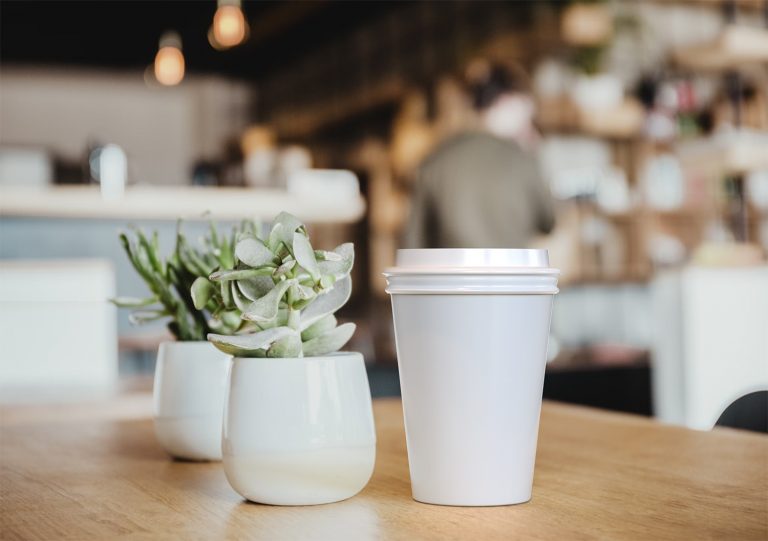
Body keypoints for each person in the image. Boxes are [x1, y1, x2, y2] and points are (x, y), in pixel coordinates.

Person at [403, 61, 555, 249]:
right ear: (507, 100)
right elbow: (549, 221)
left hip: (450, 277)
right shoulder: (523, 158)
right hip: (511, 276)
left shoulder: (435, 160)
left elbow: (414, 241)